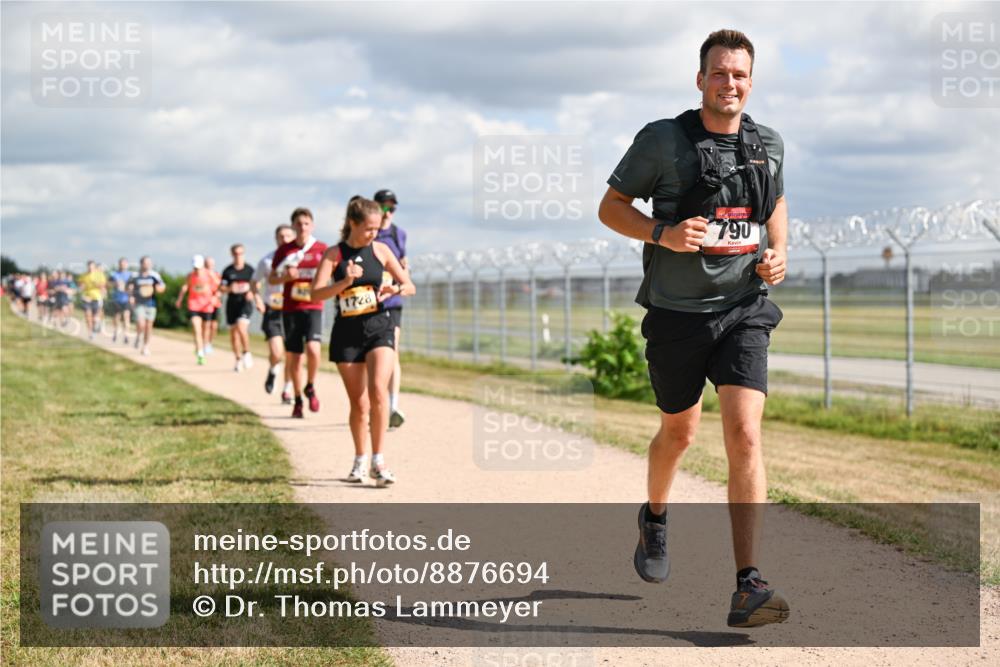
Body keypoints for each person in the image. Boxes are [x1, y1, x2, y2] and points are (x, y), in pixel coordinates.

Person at [597, 29, 789, 628]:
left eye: (739, 74)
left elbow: (774, 204)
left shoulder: (768, 144)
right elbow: (611, 207)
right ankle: (654, 517)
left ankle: (747, 584)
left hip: (744, 308)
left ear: (749, 82)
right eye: (718, 72)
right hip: (678, 316)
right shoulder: (662, 140)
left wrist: (779, 251)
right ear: (700, 77)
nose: (728, 83)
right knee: (678, 434)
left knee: (746, 435)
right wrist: (664, 234)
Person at [311, 197, 415, 487]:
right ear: (352, 224)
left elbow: (409, 285)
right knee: (359, 403)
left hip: (379, 327)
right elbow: (315, 294)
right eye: (369, 228)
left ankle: (378, 461)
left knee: (379, 391)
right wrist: (344, 282)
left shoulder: (381, 250)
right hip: (347, 333)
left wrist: (394, 287)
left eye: (377, 228)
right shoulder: (334, 255)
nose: (374, 233)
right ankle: (359, 460)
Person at [269, 208, 328, 418]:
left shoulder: (322, 249)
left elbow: (333, 273)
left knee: (313, 349)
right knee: (294, 357)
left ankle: (310, 385)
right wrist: (285, 277)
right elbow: (271, 279)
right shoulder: (284, 251)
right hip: (291, 309)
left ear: (312, 226)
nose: (302, 227)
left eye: (306, 223)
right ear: (293, 226)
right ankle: (297, 398)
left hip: (314, 307)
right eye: (298, 223)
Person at [373, 189, 409, 429]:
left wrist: (402, 280)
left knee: (392, 350)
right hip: (370, 302)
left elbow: (404, 266)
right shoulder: (369, 234)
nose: (387, 212)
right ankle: (375, 403)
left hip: (393, 302)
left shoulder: (399, 234)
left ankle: (393, 405)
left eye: (391, 208)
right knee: (372, 356)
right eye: (383, 207)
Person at [253, 224, 297, 401]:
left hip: (293, 309)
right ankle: (273, 370)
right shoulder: (267, 261)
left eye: (288, 236)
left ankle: (287, 389)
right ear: (276, 238)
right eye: (281, 236)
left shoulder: (298, 258)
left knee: (291, 354)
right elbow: (254, 282)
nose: (284, 240)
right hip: (273, 310)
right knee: (277, 352)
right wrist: (257, 299)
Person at [175, 255, 216, 364]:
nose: (196, 270)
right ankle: (200, 354)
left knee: (205, 330)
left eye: (198, 267)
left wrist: (215, 297)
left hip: (207, 306)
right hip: (194, 305)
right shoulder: (190, 276)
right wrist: (179, 299)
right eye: (195, 268)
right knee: (196, 328)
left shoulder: (209, 275)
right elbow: (185, 287)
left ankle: (202, 346)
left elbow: (216, 287)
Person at [220, 243, 256, 372]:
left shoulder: (250, 270)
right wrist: (230, 288)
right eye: (235, 253)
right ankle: (237, 359)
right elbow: (222, 287)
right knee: (234, 335)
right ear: (232, 254)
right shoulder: (228, 271)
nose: (238, 256)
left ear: (243, 254)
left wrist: (252, 292)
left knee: (242, 327)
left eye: (240, 253)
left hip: (245, 303)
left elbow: (257, 284)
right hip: (232, 304)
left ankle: (247, 352)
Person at [128, 256, 165, 356]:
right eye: (146, 263)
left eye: (149, 263)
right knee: (141, 323)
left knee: (149, 326)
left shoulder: (154, 275)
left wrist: (159, 289)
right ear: (141, 264)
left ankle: (145, 346)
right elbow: (130, 287)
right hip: (139, 303)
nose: (148, 265)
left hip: (151, 303)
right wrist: (131, 296)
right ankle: (139, 335)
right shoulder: (135, 275)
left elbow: (162, 286)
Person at [77, 261, 107, 339]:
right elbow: (80, 286)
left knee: (94, 318)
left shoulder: (99, 275)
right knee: (87, 316)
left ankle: (96, 325)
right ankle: (90, 333)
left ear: (94, 267)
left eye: (92, 267)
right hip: (86, 298)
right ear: (87, 267)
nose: (90, 268)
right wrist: (81, 290)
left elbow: (103, 286)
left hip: (96, 298)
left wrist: (96, 284)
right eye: (89, 267)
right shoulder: (83, 275)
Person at [108, 257, 134, 344]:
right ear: (119, 264)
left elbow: (133, 287)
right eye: (121, 263)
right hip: (116, 299)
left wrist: (131, 296)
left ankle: (126, 335)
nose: (123, 265)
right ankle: (115, 332)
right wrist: (116, 283)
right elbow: (108, 284)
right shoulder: (114, 274)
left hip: (126, 299)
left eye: (124, 263)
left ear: (127, 264)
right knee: (117, 317)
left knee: (126, 317)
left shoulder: (130, 275)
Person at [203, 256, 222, 354]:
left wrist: (217, 295)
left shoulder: (217, 275)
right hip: (204, 304)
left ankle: (209, 343)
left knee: (214, 326)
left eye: (211, 264)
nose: (209, 265)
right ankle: (204, 344)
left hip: (215, 304)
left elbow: (221, 287)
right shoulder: (201, 275)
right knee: (206, 325)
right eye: (207, 263)